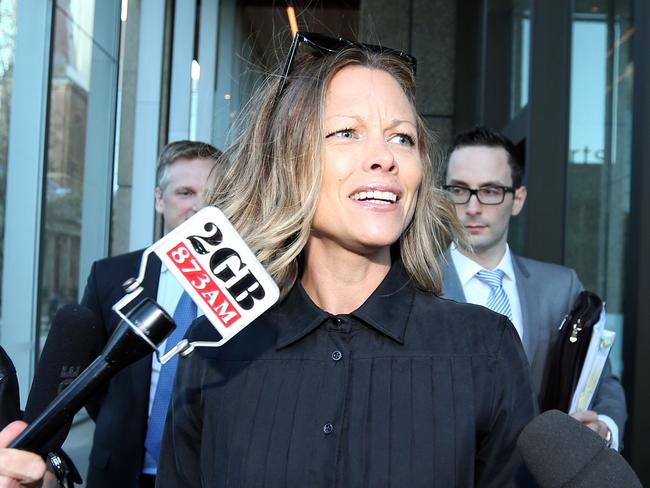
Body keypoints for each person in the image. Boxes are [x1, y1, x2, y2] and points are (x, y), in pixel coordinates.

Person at [156, 33, 537, 487]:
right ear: (290, 161)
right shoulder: (216, 350)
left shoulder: (484, 348)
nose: (384, 158)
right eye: (346, 133)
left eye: (401, 137)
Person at [45, 140, 221, 488]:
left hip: (208, 472)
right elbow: (87, 375)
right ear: (160, 199)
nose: (200, 206)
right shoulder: (110, 276)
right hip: (120, 470)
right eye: (185, 192)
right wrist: (119, 421)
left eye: (214, 194)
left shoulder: (249, 288)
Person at [440, 126, 627, 448]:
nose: (472, 207)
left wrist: (605, 429)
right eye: (459, 190)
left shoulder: (560, 287)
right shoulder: (414, 285)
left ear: (517, 199)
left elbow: (602, 381)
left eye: (490, 191)